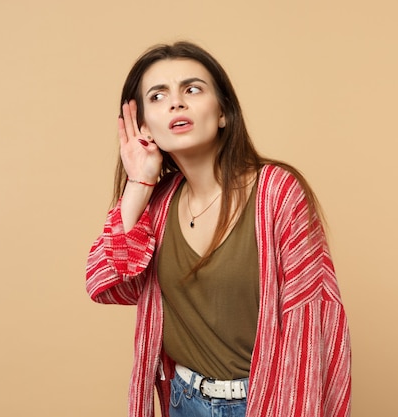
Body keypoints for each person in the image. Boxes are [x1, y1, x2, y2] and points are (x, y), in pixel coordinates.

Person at [85, 41, 351, 417]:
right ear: (144, 126)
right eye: (158, 96)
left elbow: (310, 326)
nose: (177, 103)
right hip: (183, 400)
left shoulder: (277, 193)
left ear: (223, 111)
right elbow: (104, 280)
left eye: (192, 89)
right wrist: (139, 184)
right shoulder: (158, 205)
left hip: (265, 403)